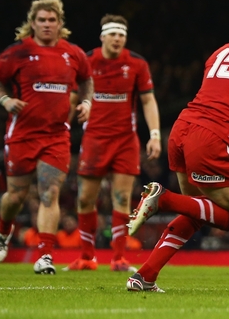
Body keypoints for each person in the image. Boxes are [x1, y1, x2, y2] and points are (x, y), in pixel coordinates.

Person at [125, 5, 229, 292]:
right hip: (212, 138)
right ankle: (162, 200)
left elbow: (227, 98)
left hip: (182, 129)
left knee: (199, 211)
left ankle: (144, 276)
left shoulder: (223, 50)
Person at [0, 0, 93, 274]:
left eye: (52, 20)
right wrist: (5, 101)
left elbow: (86, 79)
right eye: (42, 20)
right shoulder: (17, 52)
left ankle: (45, 256)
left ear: (60, 23)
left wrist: (86, 103)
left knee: (50, 193)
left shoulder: (73, 53)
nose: (47, 24)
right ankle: (3, 232)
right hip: (22, 135)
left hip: (56, 135)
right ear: (33, 23)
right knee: (15, 196)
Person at [64, 15, 162, 273]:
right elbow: (73, 95)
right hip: (94, 138)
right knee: (85, 199)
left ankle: (119, 259)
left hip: (125, 140)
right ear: (102, 37)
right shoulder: (87, 61)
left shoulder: (137, 63)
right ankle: (86, 257)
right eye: (113, 34)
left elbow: (148, 100)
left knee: (121, 198)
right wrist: (64, 124)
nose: (117, 38)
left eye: (121, 34)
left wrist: (154, 134)